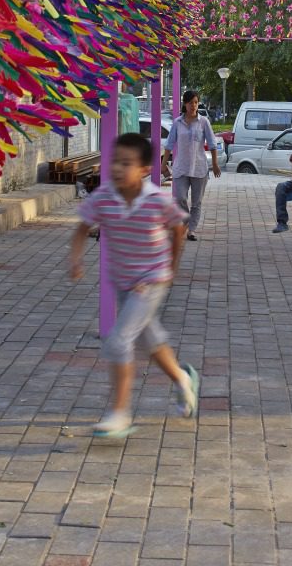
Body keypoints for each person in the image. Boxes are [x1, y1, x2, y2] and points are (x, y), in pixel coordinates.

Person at [69, 132, 199, 438]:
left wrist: (171, 266)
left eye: (126, 163)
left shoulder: (156, 199)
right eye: (114, 161)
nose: (117, 168)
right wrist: (75, 260)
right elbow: (82, 227)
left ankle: (120, 414)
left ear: (143, 169)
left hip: (151, 281)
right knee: (150, 340)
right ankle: (183, 379)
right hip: (123, 281)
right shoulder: (104, 196)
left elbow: (178, 228)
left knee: (118, 341)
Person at [163, 90, 220, 242]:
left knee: (196, 203)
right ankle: (187, 222)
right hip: (181, 167)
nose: (193, 105)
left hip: (199, 168)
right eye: (190, 103)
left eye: (196, 102)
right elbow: (169, 145)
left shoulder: (204, 122)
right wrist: (163, 165)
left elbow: (212, 144)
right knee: (179, 198)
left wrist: (215, 164)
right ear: (185, 104)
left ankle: (192, 230)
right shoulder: (177, 123)